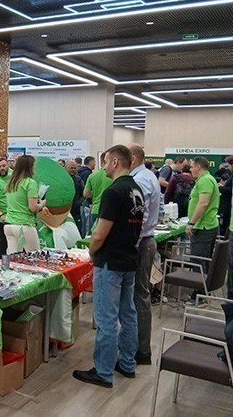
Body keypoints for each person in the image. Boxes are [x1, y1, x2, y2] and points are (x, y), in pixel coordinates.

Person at [73, 145, 144, 388]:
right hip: (129, 258)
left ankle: (103, 372)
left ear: (114, 162)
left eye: (105, 162)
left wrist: (92, 253)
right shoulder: (136, 189)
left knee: (106, 318)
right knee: (128, 314)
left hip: (110, 261)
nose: (102, 167)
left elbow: (99, 233)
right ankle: (127, 363)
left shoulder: (114, 192)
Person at [128, 144, 163, 366]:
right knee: (140, 294)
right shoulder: (150, 176)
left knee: (139, 295)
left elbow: (138, 219)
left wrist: (131, 246)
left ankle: (140, 350)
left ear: (132, 158)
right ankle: (139, 347)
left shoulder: (139, 180)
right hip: (147, 241)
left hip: (140, 243)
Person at [185, 156, 220, 306]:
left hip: (203, 227)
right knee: (203, 261)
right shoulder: (205, 180)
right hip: (205, 226)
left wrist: (191, 222)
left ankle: (198, 295)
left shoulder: (205, 180)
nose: (190, 169)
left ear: (198, 167)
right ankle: (203, 293)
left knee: (198, 262)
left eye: (192, 166)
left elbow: (203, 203)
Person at [4, 155, 46, 253]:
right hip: (24, 224)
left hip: (9, 224)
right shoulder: (30, 183)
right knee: (34, 255)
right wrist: (42, 204)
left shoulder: (11, 182)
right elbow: (32, 207)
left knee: (13, 257)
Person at [83, 153, 113, 235]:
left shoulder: (92, 175)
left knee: (93, 235)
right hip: (109, 209)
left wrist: (95, 194)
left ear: (101, 161)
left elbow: (85, 194)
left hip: (95, 209)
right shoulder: (113, 176)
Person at [65, 160, 84, 236]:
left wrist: (79, 202)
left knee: (78, 230)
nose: (73, 170)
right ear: (65, 168)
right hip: (64, 210)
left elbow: (84, 194)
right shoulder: (61, 180)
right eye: (71, 168)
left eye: (74, 168)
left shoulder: (79, 180)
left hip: (76, 211)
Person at [218, 156, 233, 236]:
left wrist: (220, 187)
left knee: (225, 224)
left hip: (228, 205)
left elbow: (230, 190)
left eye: (229, 165)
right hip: (227, 204)